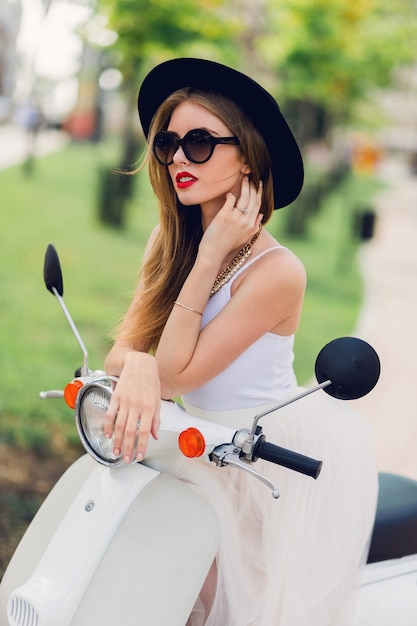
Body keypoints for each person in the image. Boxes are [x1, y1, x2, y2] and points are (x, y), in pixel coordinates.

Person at [104, 58, 378, 625]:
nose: (179, 157)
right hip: (192, 443)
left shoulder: (277, 272)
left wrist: (207, 260)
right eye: (169, 143)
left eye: (199, 142)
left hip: (258, 459)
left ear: (248, 156)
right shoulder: (169, 235)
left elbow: (176, 373)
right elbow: (122, 353)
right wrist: (135, 367)